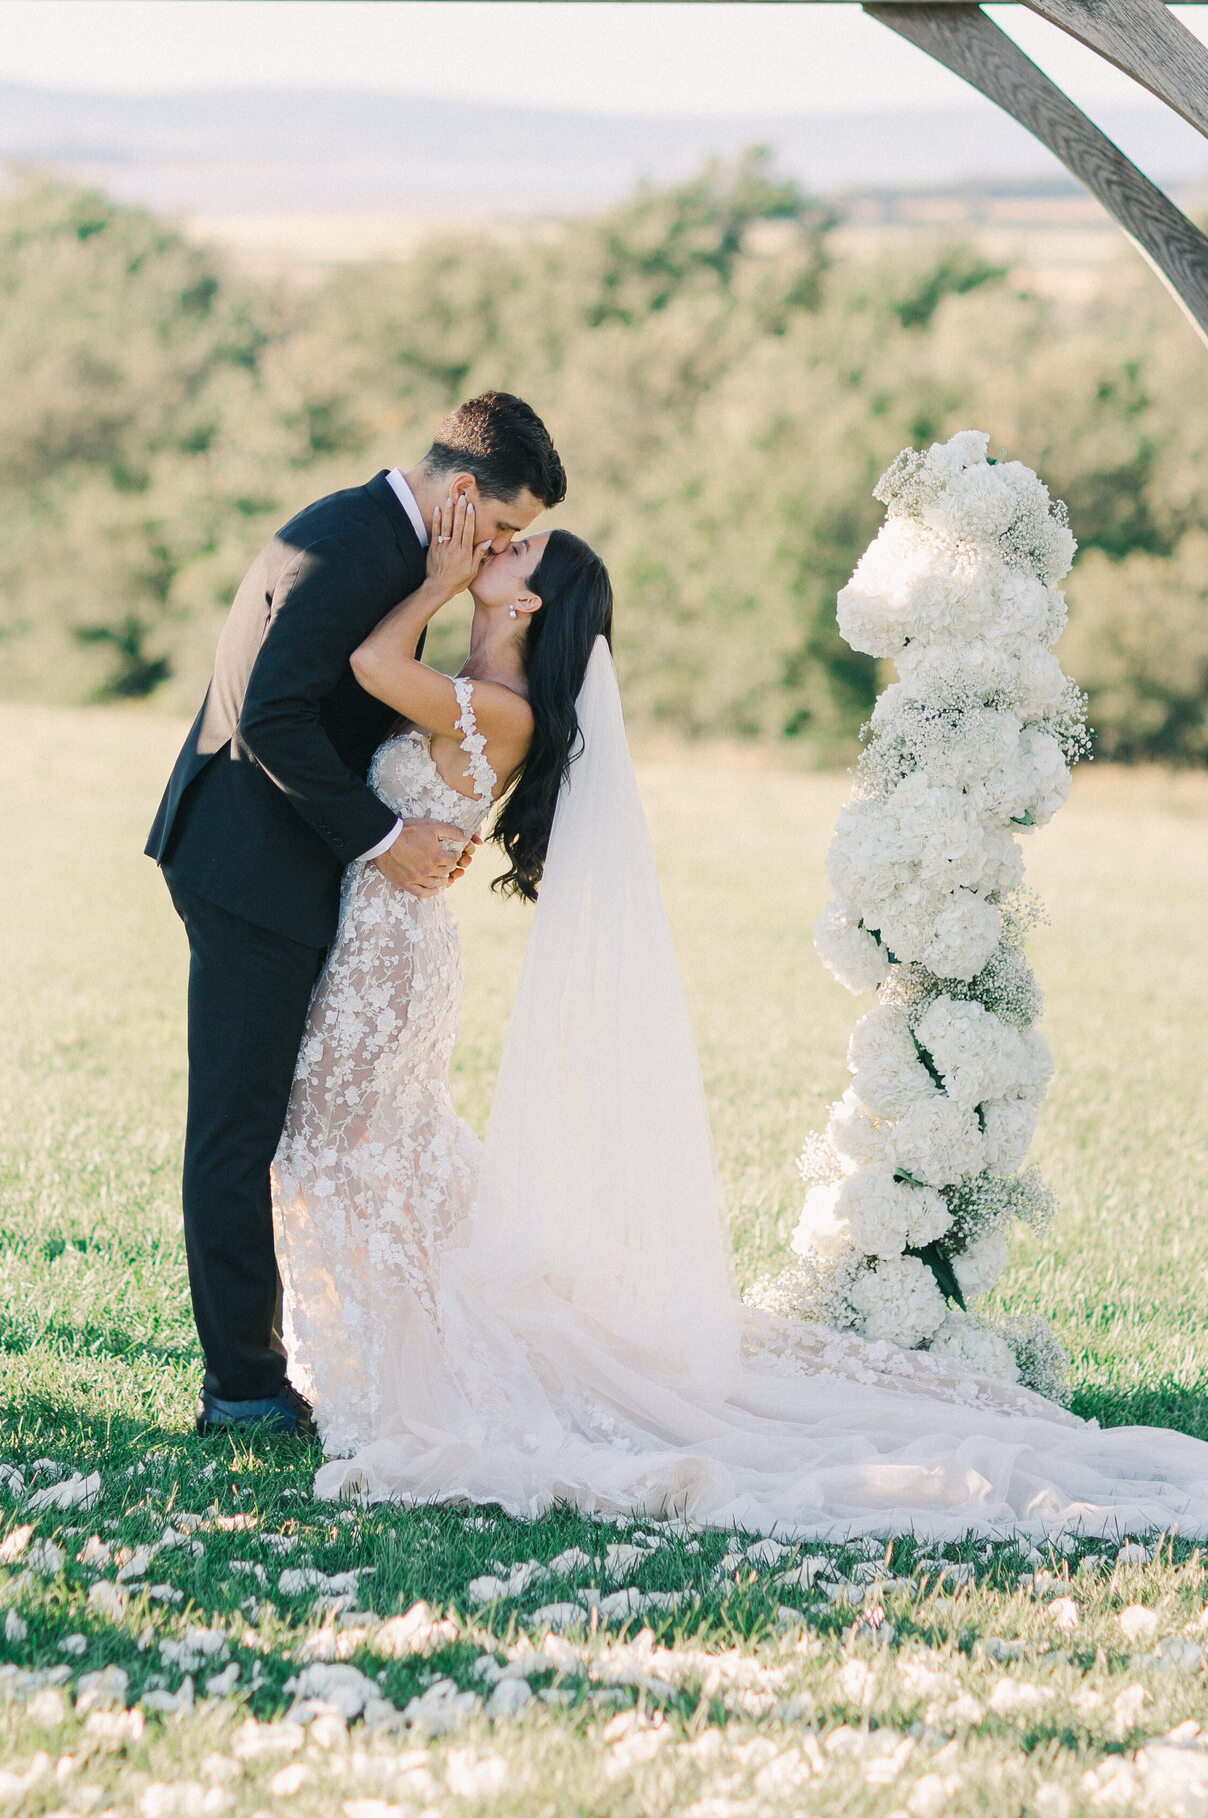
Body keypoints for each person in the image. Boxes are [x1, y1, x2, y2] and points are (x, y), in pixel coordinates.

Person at [270, 509, 1208, 1538]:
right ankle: (370, 1342)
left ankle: (386, 1360)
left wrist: (437, 578)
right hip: (374, 944)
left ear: (530, 600)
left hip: (389, 959)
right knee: (366, 1153)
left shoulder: (497, 708)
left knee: (337, 1145)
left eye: (519, 552)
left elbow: (367, 660)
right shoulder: (473, 679)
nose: (499, 546)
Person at [146, 391, 567, 1436]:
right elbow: (270, 715)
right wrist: (385, 838)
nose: (503, 552)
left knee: (306, 1126)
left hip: (297, 869)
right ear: (463, 494)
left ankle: (349, 1348)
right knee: (239, 1132)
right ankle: (242, 1387)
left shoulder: (385, 543)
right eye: (506, 530)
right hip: (251, 867)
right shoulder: (352, 545)